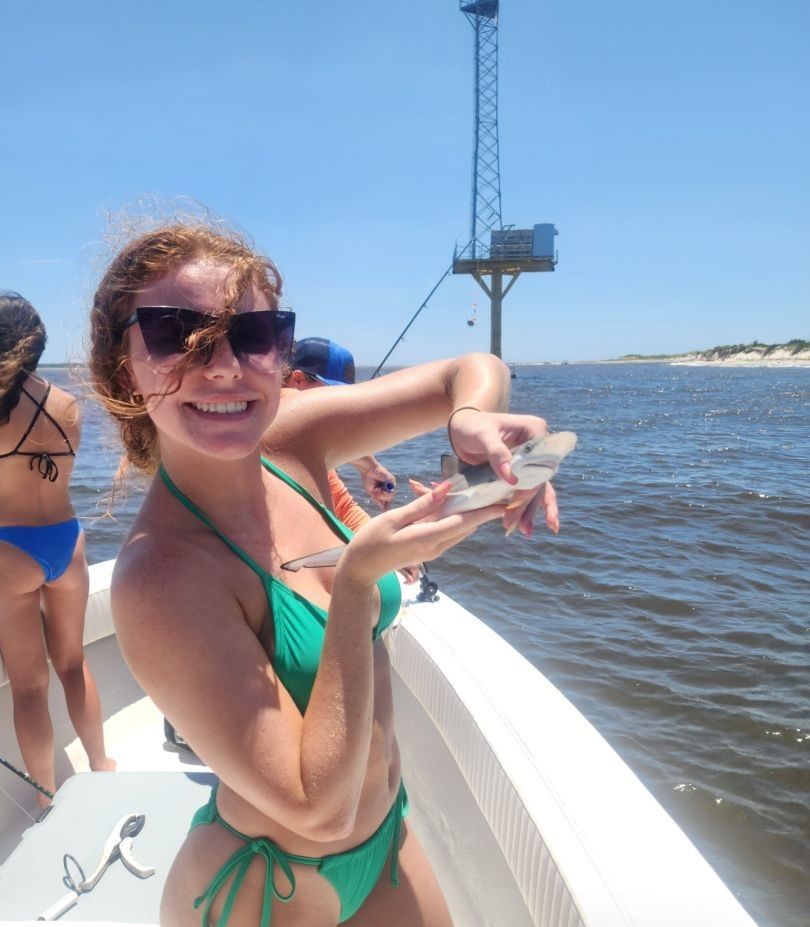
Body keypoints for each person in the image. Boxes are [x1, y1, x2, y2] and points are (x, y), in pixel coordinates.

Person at [88, 220, 559, 927]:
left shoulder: (290, 438)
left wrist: (470, 420)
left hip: (385, 835)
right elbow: (318, 807)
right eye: (176, 334)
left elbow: (469, 367)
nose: (223, 367)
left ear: (281, 351)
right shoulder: (160, 576)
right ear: (124, 367)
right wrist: (357, 581)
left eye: (254, 335)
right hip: (266, 888)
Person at [0, 291, 113, 811]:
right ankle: (101, 765)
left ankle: (46, 795)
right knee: (72, 663)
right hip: (66, 541)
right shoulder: (68, 404)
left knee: (28, 687)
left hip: (9, 551)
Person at [284, 337, 420, 584]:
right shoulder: (252, 434)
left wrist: (386, 545)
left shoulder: (316, 446)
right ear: (298, 380)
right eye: (332, 395)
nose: (339, 408)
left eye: (344, 398)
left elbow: (342, 507)